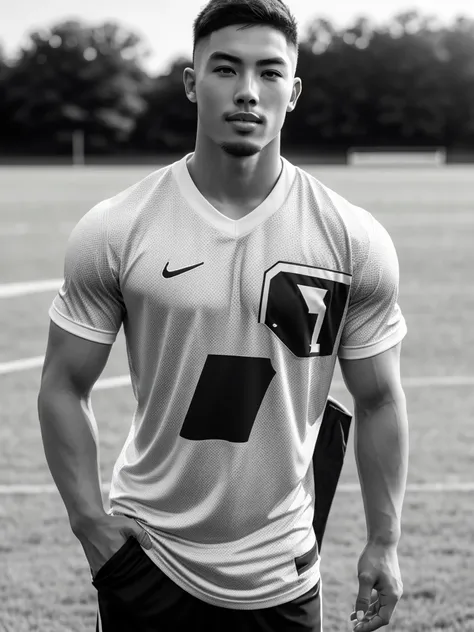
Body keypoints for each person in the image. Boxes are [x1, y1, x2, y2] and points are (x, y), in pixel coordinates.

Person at [37, 0, 409, 630]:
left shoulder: (352, 239)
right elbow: (62, 386)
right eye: (225, 69)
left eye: (268, 73)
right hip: (147, 560)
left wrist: (385, 539)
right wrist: (88, 521)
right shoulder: (119, 226)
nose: (247, 91)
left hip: (283, 569)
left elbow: (379, 400)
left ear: (292, 92)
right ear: (191, 82)